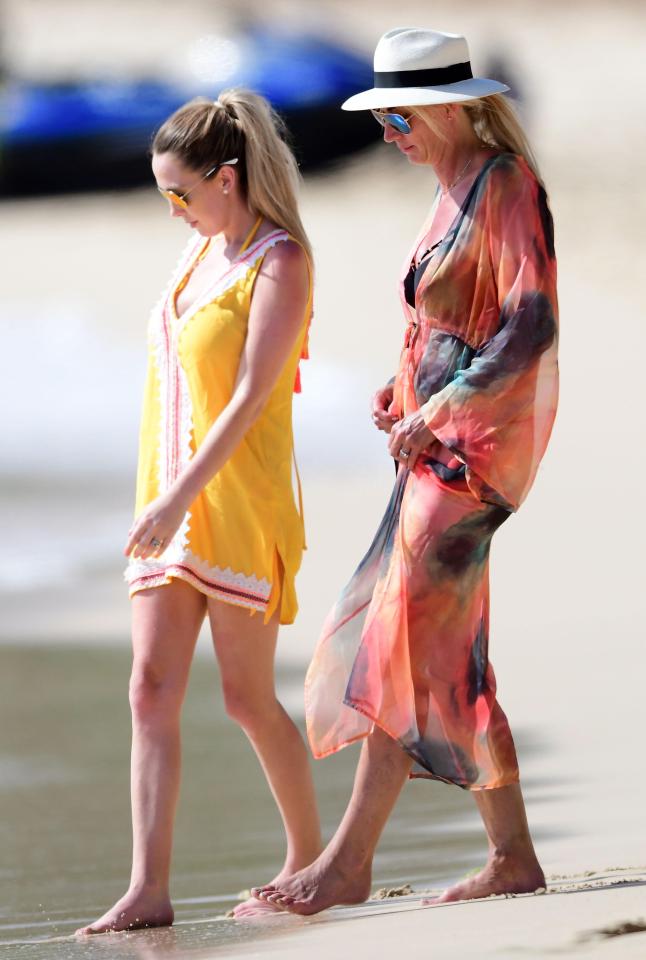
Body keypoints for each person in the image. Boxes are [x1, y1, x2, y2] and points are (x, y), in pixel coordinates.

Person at [253, 27, 559, 915]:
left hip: (472, 453)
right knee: (445, 654)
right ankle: (513, 857)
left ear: (449, 108)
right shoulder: (447, 187)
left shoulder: (505, 184)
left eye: (397, 114)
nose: (388, 132)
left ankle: (347, 864)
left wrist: (440, 405)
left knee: (397, 638)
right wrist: (404, 386)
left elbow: (529, 323)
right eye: (382, 114)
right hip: (434, 445)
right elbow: (455, 319)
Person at [76, 89, 321, 933]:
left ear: (227, 176)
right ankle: (148, 887)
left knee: (248, 699)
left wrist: (180, 492)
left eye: (180, 192)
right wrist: (161, 493)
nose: (172, 208)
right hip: (168, 501)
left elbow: (253, 394)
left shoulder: (279, 261)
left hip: (237, 502)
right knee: (149, 690)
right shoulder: (197, 258)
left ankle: (308, 859)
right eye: (161, 193)